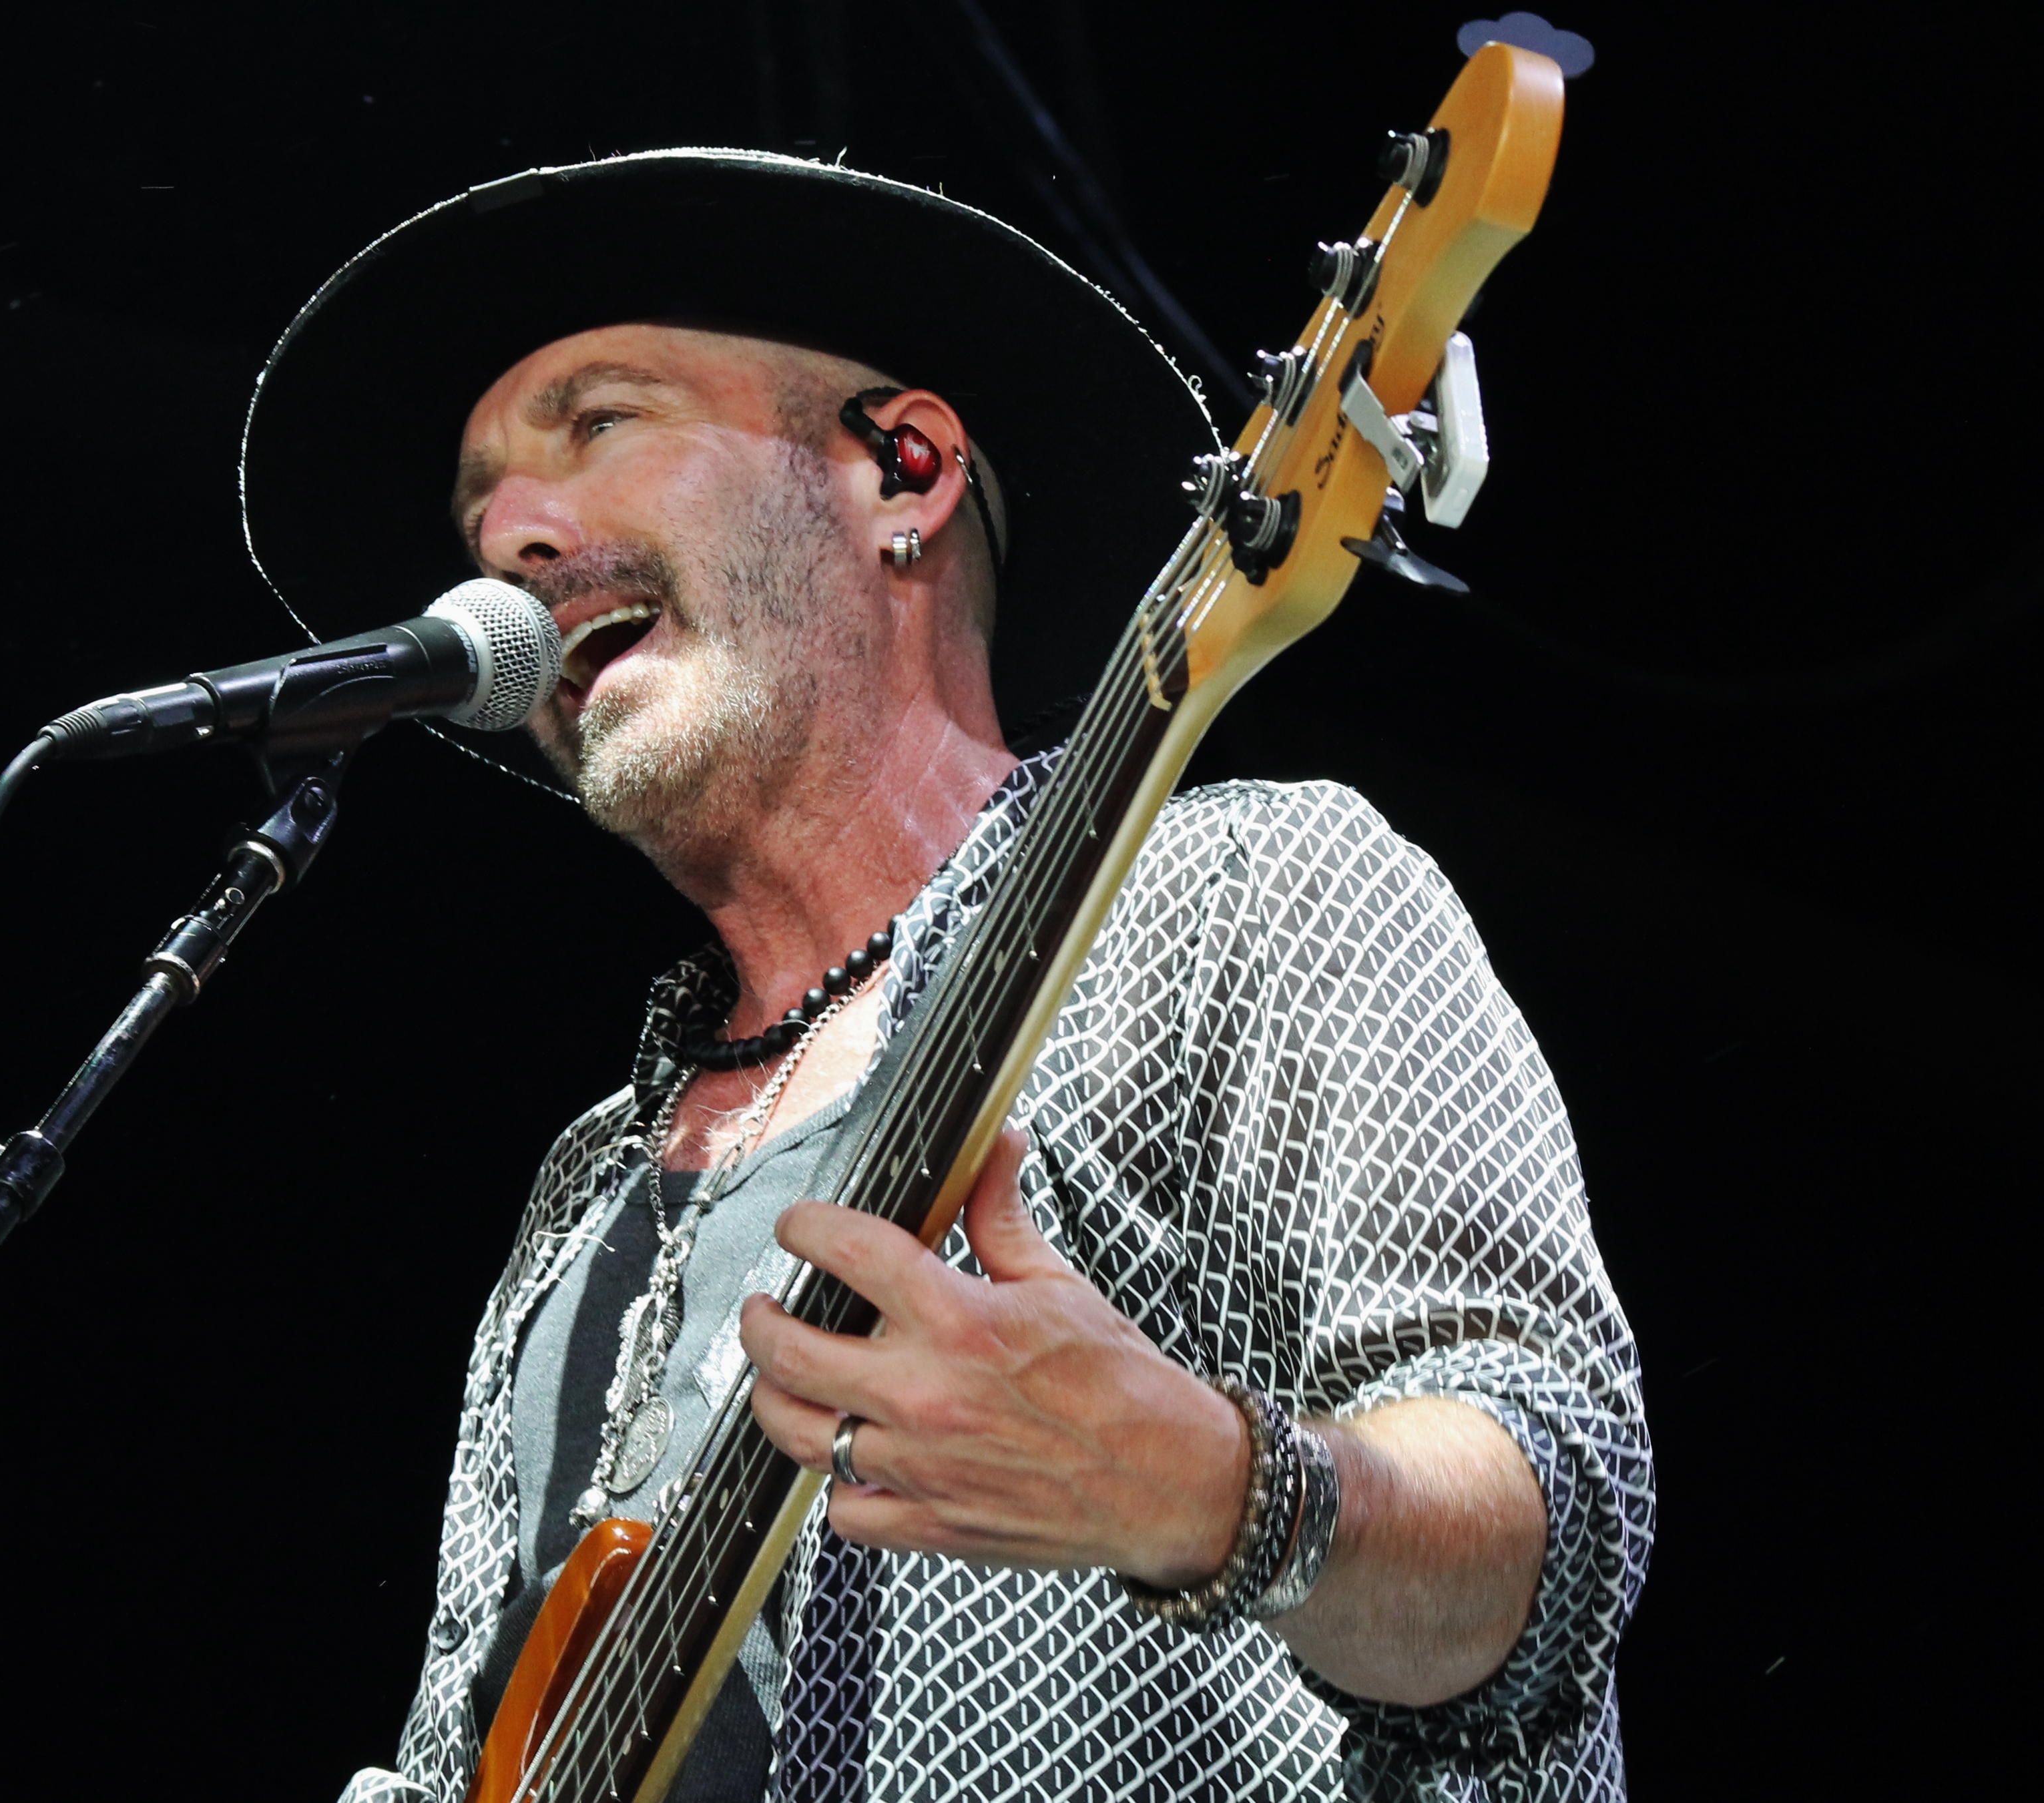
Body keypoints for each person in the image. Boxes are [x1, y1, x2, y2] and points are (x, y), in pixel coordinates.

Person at [242, 153, 1650, 1802]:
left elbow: (1555, 1535)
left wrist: (1214, 1489)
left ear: (901, 469)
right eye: (477, 503)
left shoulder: (1239, 896)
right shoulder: (583, 1186)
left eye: (598, 422)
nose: (501, 542)